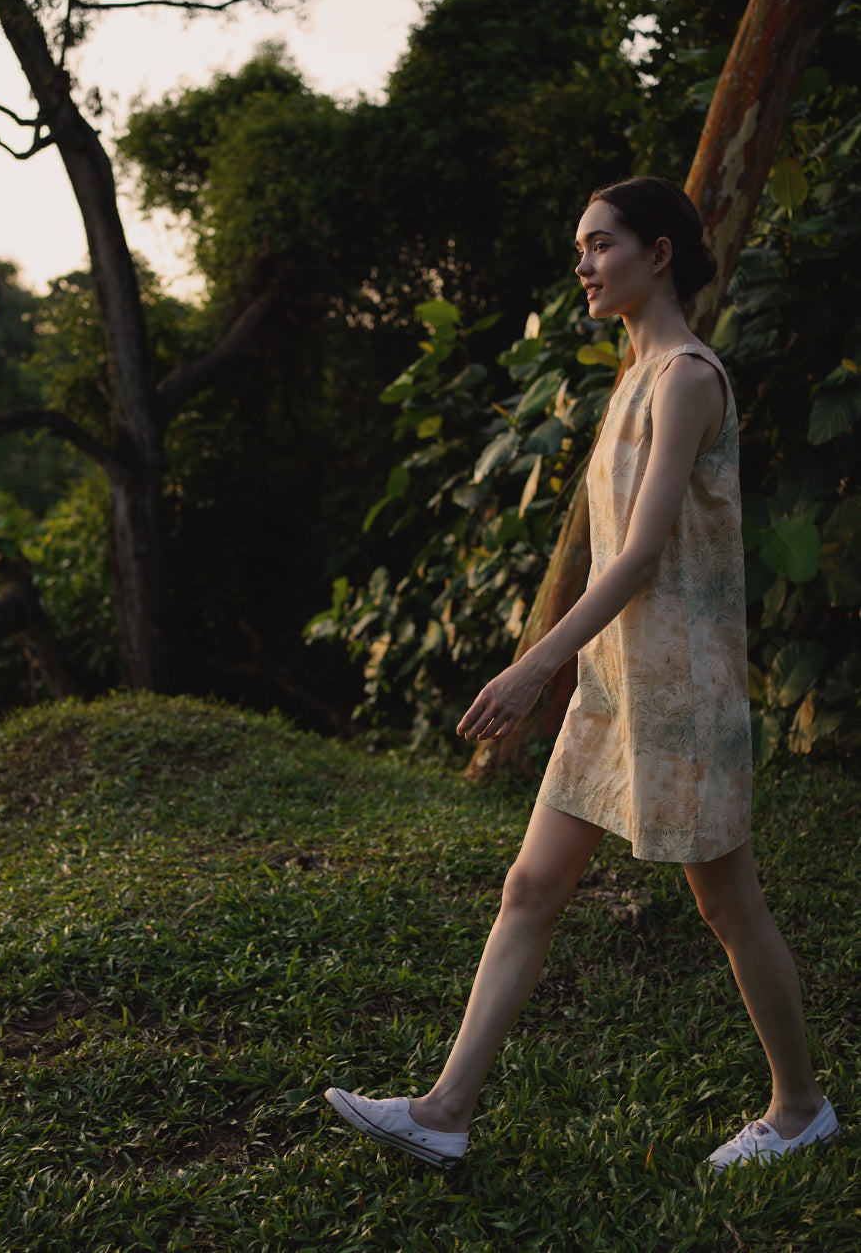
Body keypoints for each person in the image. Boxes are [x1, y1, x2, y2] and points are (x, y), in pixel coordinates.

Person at [324, 176, 838, 1172]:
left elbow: (642, 553)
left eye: (600, 244)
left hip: (680, 687)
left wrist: (533, 667)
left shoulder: (687, 374)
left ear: (658, 252)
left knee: (725, 902)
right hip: (614, 682)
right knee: (530, 883)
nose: (584, 264)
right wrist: (573, 668)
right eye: (579, 248)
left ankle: (799, 1106)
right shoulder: (631, 374)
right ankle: (442, 1108)